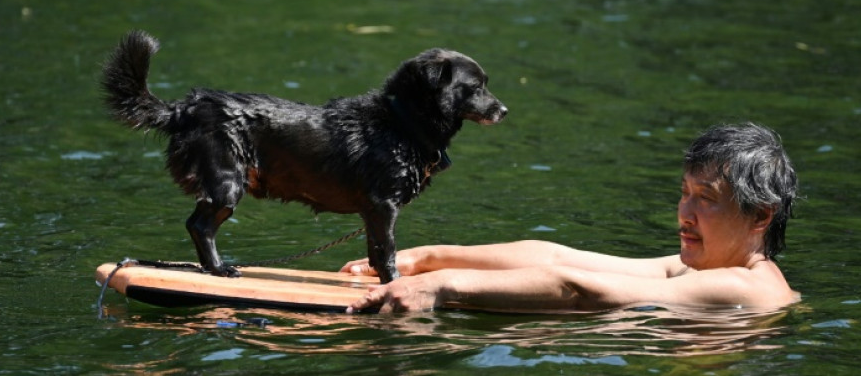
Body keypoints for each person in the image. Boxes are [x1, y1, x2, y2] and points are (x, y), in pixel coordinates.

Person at [342, 122, 800, 313]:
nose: (685, 212)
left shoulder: (744, 288)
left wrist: (440, 287)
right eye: (684, 194)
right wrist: (424, 259)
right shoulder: (702, 266)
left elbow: (579, 289)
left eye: (706, 198)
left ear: (760, 216)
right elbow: (560, 256)